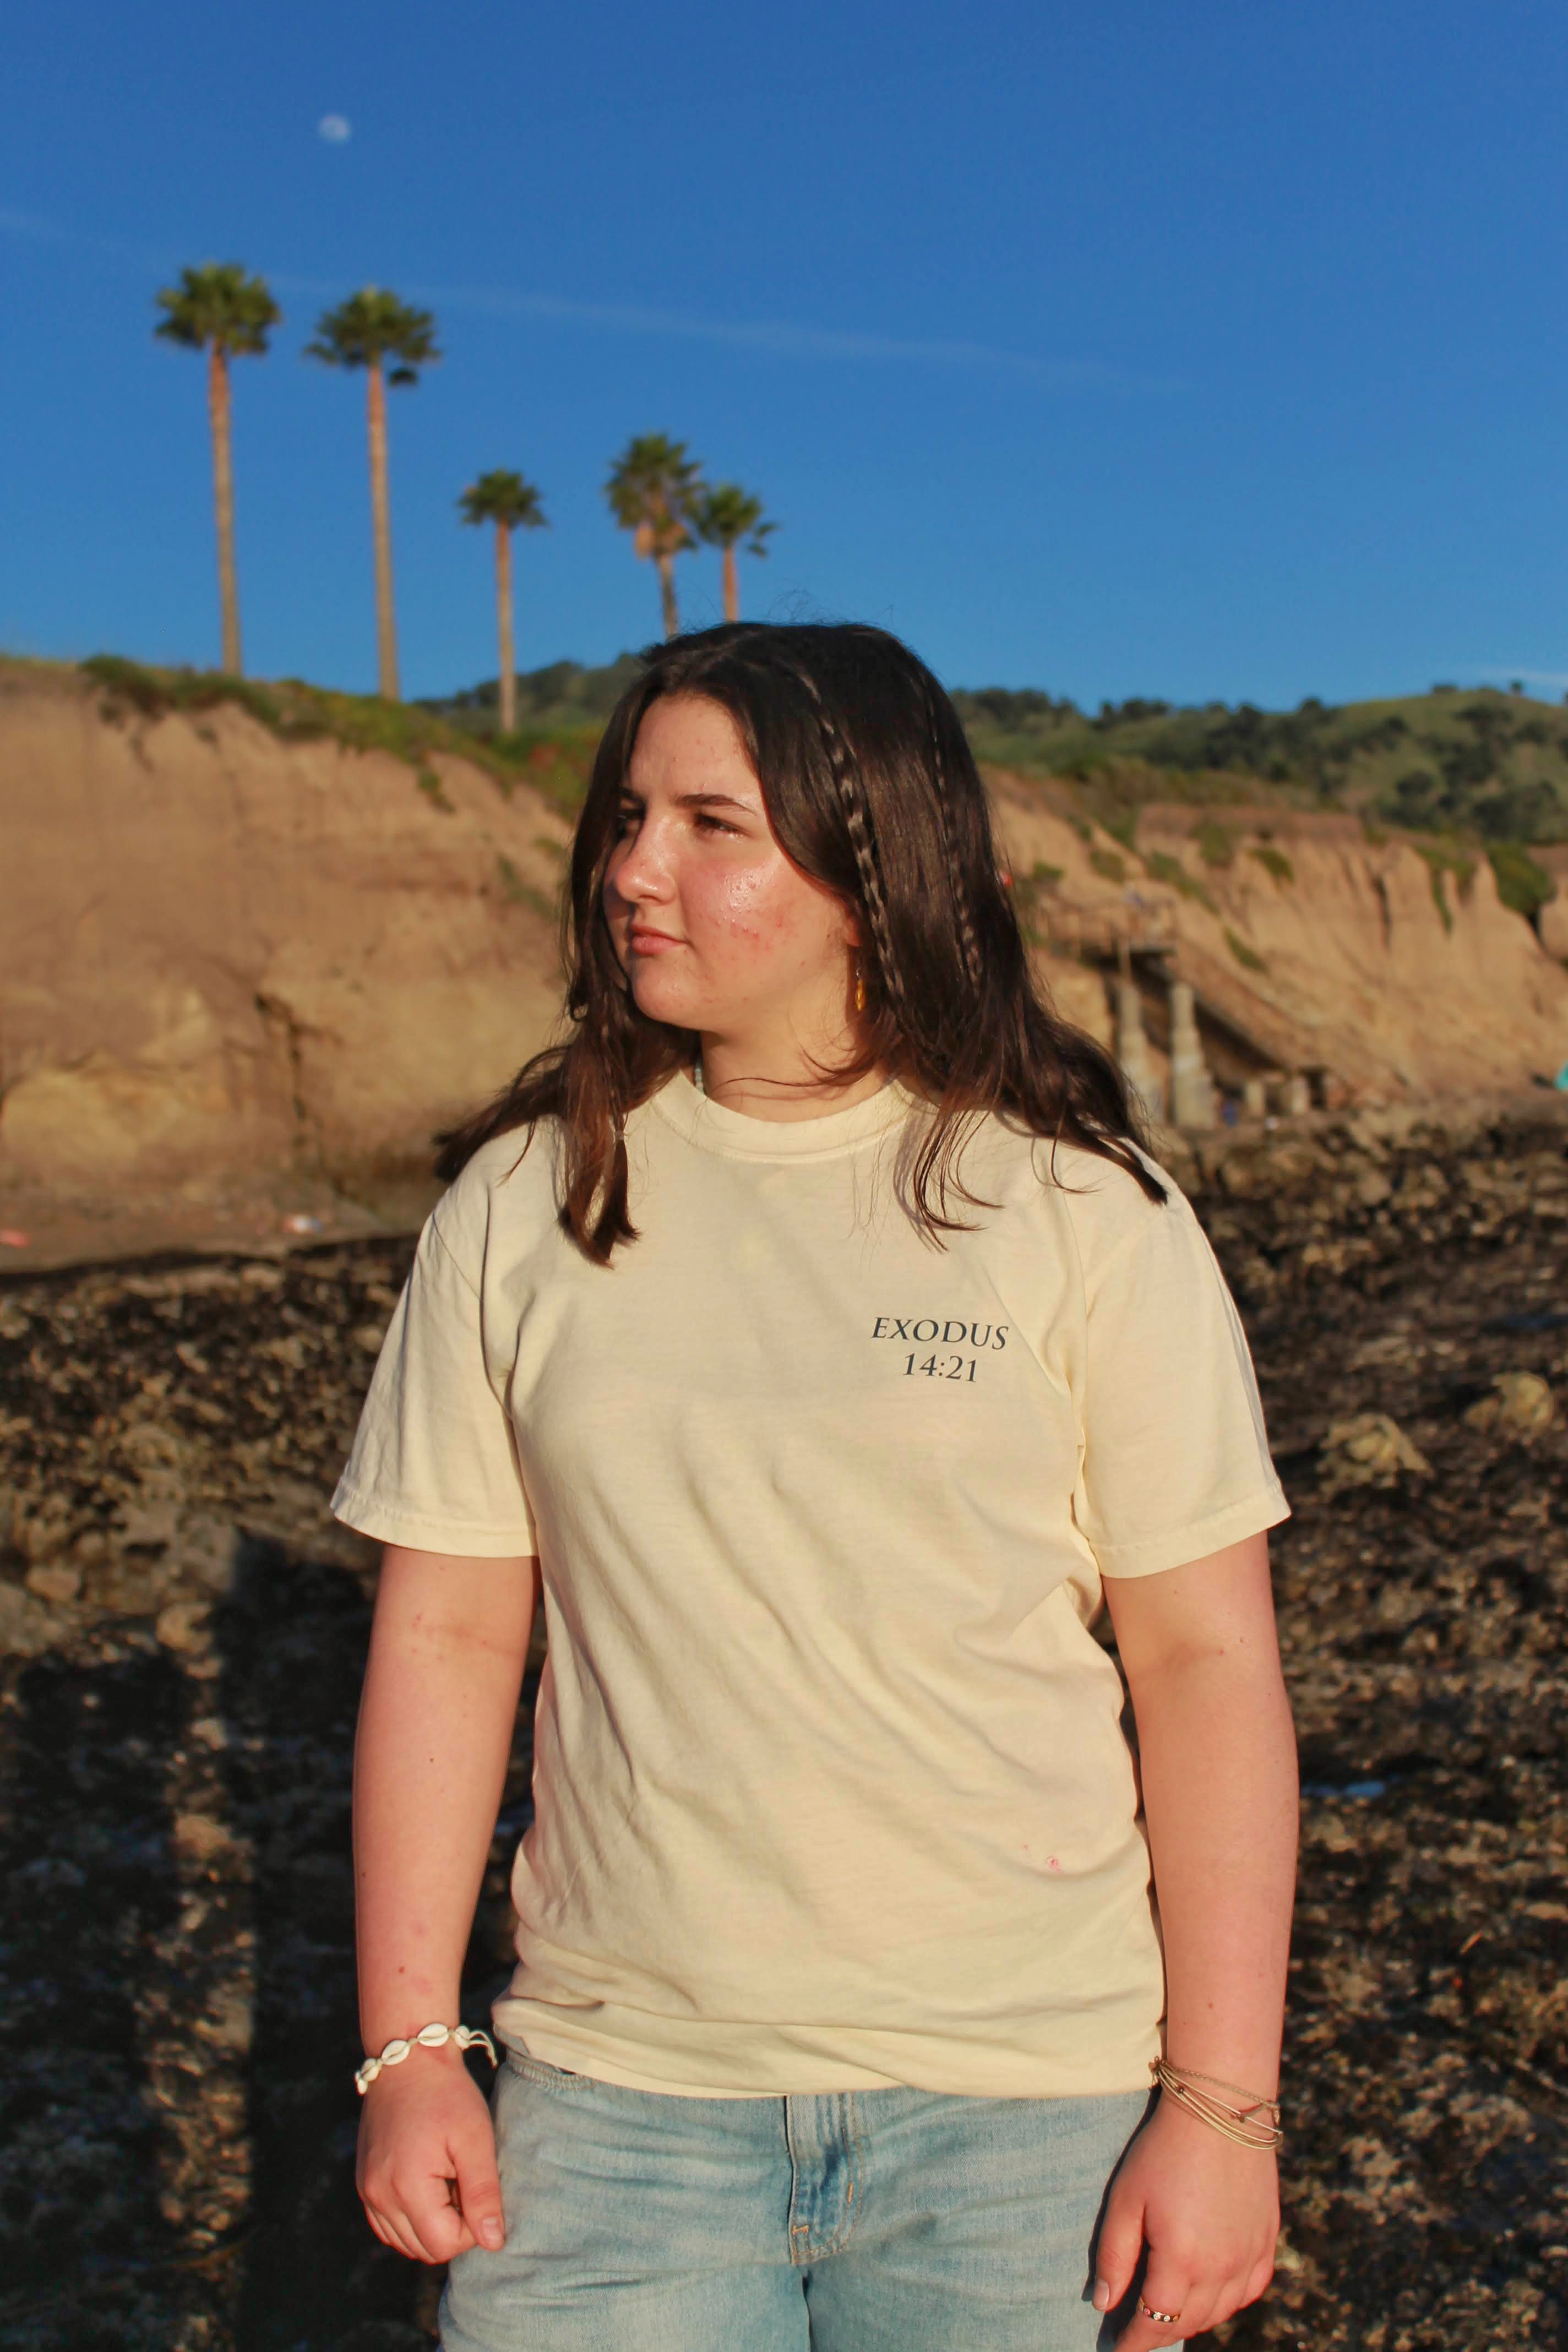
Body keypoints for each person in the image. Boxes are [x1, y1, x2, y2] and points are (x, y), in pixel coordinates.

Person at [336, 622, 1298, 2352]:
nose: (634, 870)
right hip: (614, 2116)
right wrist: (411, 2051)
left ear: (873, 876)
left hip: (1026, 2127)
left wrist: (1225, 2110)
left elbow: (1208, 1666)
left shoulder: (1084, 1213)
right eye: (629, 818)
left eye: (712, 826)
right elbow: (449, 1640)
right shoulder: (525, 1206)